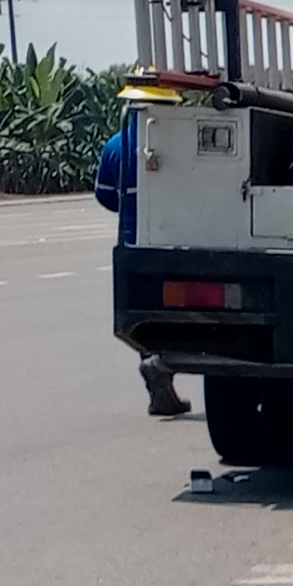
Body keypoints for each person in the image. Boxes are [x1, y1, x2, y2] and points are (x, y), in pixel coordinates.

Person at [93, 114, 190, 417]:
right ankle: (162, 363)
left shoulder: (115, 144)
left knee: (143, 312)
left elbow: (105, 196)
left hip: (131, 242)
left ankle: (154, 366)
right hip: (170, 238)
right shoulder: (181, 142)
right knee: (181, 309)